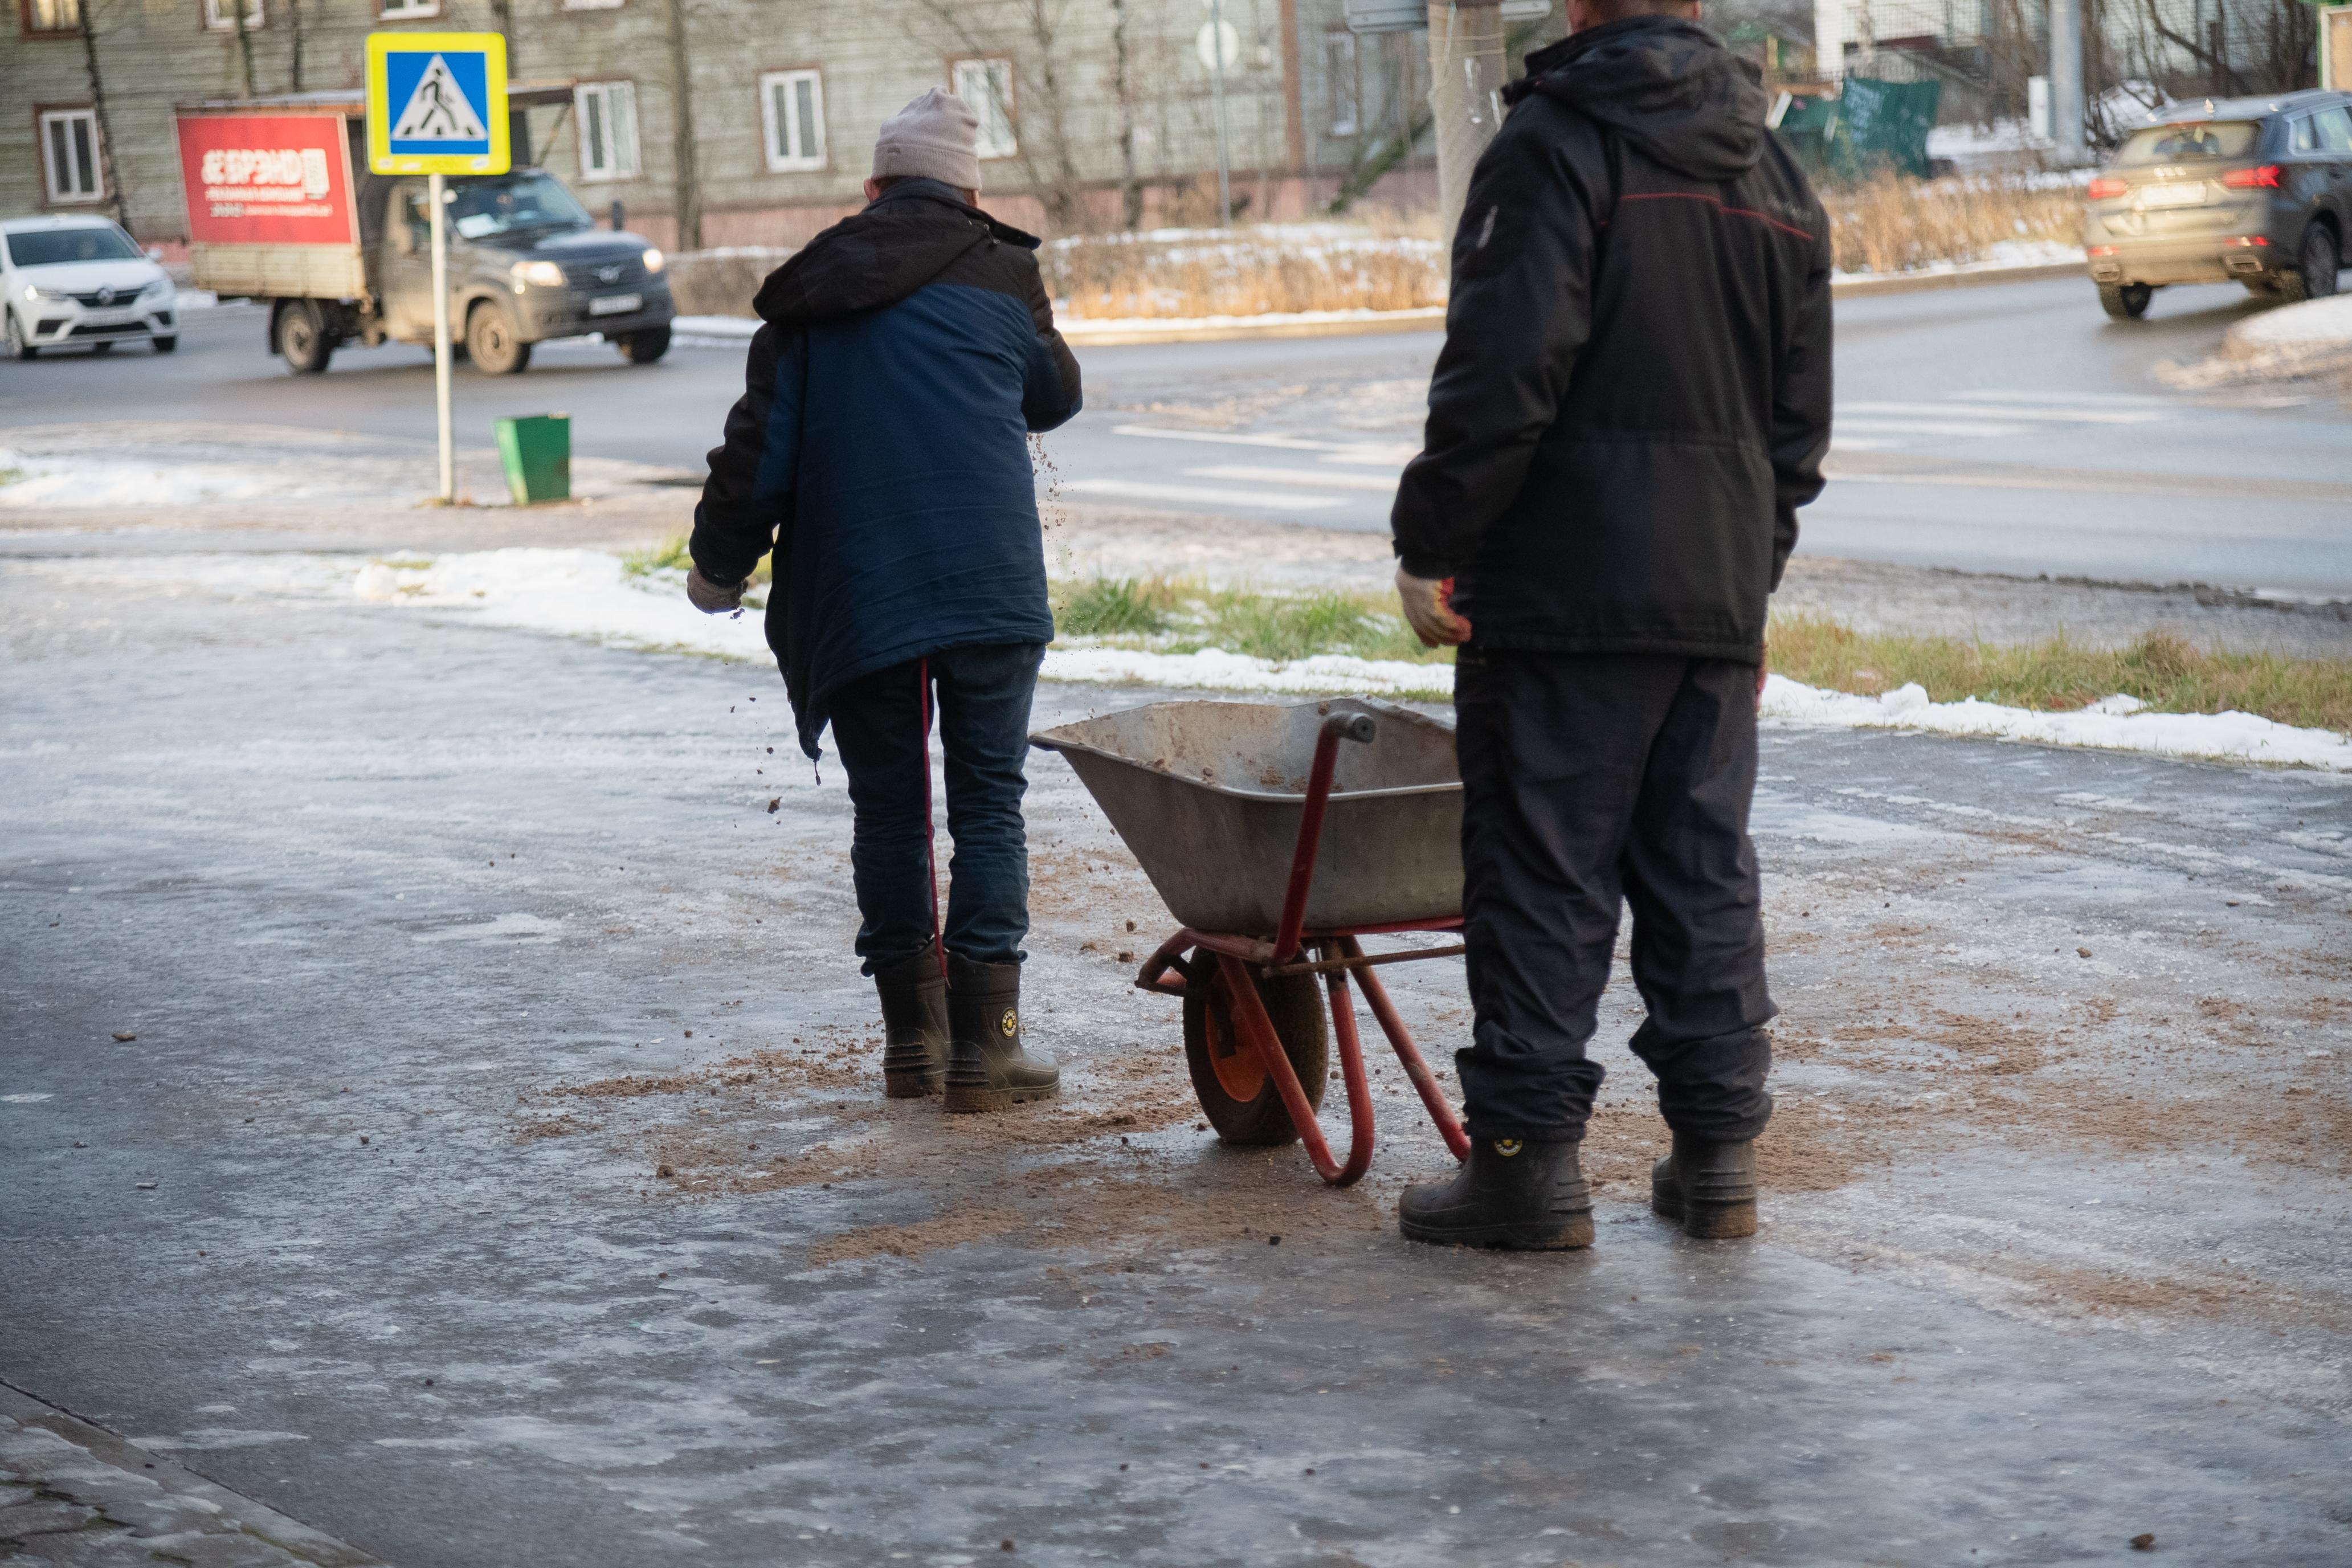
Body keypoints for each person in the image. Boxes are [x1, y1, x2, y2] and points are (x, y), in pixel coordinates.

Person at [1386, 0, 1832, 1248]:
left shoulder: (1554, 144)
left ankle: (1528, 1171)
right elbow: (1799, 430)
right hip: (1712, 598)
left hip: (1562, 590)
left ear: (1581, 7)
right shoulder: (1777, 166)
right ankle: (1717, 1162)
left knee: (1542, 873)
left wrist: (1435, 541)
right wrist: (1749, 580)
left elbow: (1501, 373)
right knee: (1702, 870)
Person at [684, 88, 1082, 1113]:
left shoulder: (813, 294)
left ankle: (914, 1044)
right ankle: (988, 1053)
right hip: (990, 586)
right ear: (969, 190)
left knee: (893, 814)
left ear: (872, 188)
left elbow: (757, 459)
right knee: (990, 806)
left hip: (861, 597)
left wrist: (718, 570)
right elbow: (1056, 397)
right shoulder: (1004, 270)